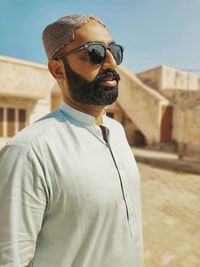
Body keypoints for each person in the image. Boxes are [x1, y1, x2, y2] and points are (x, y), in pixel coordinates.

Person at [0, 14, 144, 267]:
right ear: (58, 69)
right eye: (95, 53)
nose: (111, 62)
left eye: (115, 51)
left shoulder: (118, 131)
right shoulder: (29, 151)